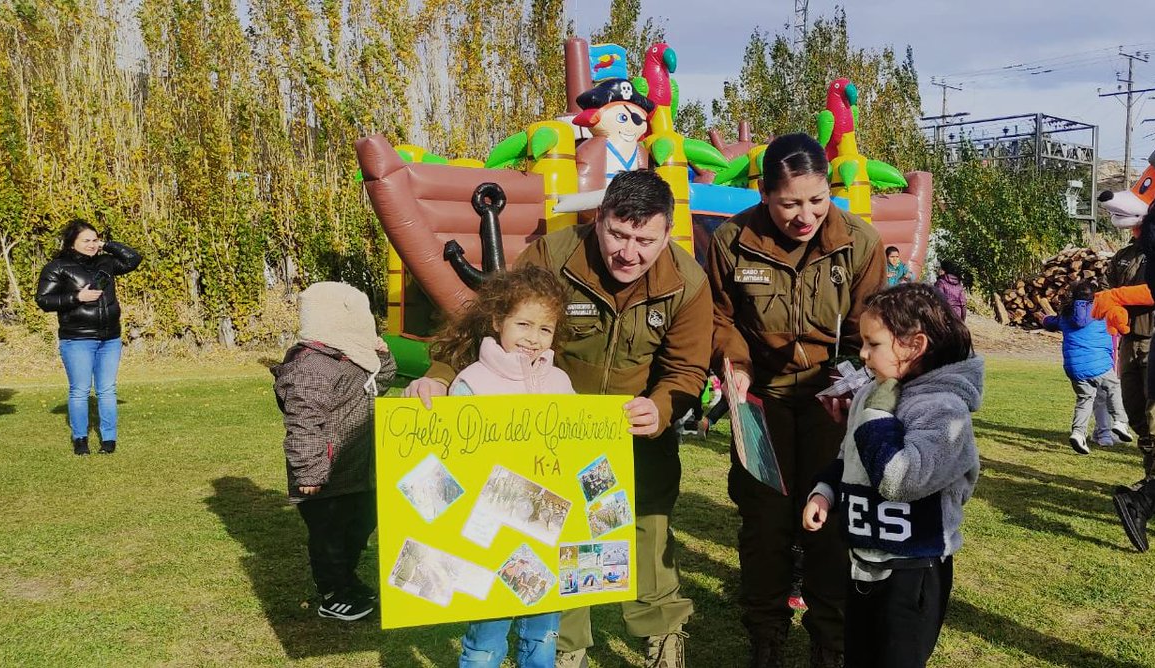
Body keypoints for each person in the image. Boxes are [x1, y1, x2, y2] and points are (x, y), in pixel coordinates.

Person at [405, 169, 710, 668]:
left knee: (647, 529)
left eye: (644, 240)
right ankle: (567, 647)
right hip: (551, 430)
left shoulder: (687, 282)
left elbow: (686, 367)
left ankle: (662, 633)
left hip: (634, 430)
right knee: (557, 533)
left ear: (666, 233)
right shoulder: (555, 254)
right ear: (599, 217)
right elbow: (491, 321)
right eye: (617, 233)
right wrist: (440, 375)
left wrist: (660, 408)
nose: (628, 252)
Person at [706, 132, 885, 668]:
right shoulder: (730, 240)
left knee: (829, 519)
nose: (804, 216)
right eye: (789, 204)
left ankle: (829, 639)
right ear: (764, 193)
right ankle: (766, 633)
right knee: (765, 522)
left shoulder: (860, 241)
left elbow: (870, 326)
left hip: (834, 401)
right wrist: (734, 367)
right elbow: (719, 317)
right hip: (760, 402)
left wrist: (852, 379)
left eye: (816, 200)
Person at [802, 283, 983, 668]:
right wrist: (825, 491)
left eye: (873, 344)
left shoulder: (943, 410)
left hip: (913, 570)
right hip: (863, 561)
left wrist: (876, 418)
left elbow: (899, 481)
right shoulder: (874, 394)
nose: (863, 355)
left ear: (914, 345)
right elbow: (851, 457)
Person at [434, 265, 575, 668]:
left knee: (542, 631)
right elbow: (452, 457)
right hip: (488, 529)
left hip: (545, 529)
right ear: (498, 321)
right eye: (524, 324)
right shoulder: (471, 382)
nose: (533, 338)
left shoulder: (561, 383)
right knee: (487, 634)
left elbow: (575, 448)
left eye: (545, 329)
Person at [271, 282, 396, 621]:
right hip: (324, 476)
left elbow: (380, 383)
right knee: (330, 537)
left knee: (360, 526)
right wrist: (309, 472)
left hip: (358, 469)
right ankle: (332, 593)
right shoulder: (312, 365)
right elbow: (303, 421)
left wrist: (381, 356)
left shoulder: (352, 357)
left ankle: (347, 580)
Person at [35, 220, 141, 455]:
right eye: (87, 240)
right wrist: (77, 297)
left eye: (95, 240)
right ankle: (80, 439)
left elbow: (133, 259)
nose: (92, 245)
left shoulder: (106, 262)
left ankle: (109, 439)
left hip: (110, 338)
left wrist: (106, 244)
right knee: (80, 390)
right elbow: (43, 301)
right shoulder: (57, 267)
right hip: (77, 339)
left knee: (107, 390)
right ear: (72, 243)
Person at [1038, 281, 1132, 454]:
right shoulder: (1102, 311)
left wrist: (1043, 318)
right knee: (1114, 387)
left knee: (1085, 399)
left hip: (1074, 368)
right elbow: (1120, 325)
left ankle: (1078, 433)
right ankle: (1119, 422)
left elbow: (1050, 323)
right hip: (1100, 365)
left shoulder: (1066, 314)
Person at [1106, 224, 1155, 477]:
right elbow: (1108, 289)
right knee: (1132, 405)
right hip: (1128, 339)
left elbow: (1150, 292)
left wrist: (1119, 296)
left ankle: (1153, 477)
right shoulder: (1123, 256)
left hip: (1153, 337)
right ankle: (1149, 461)